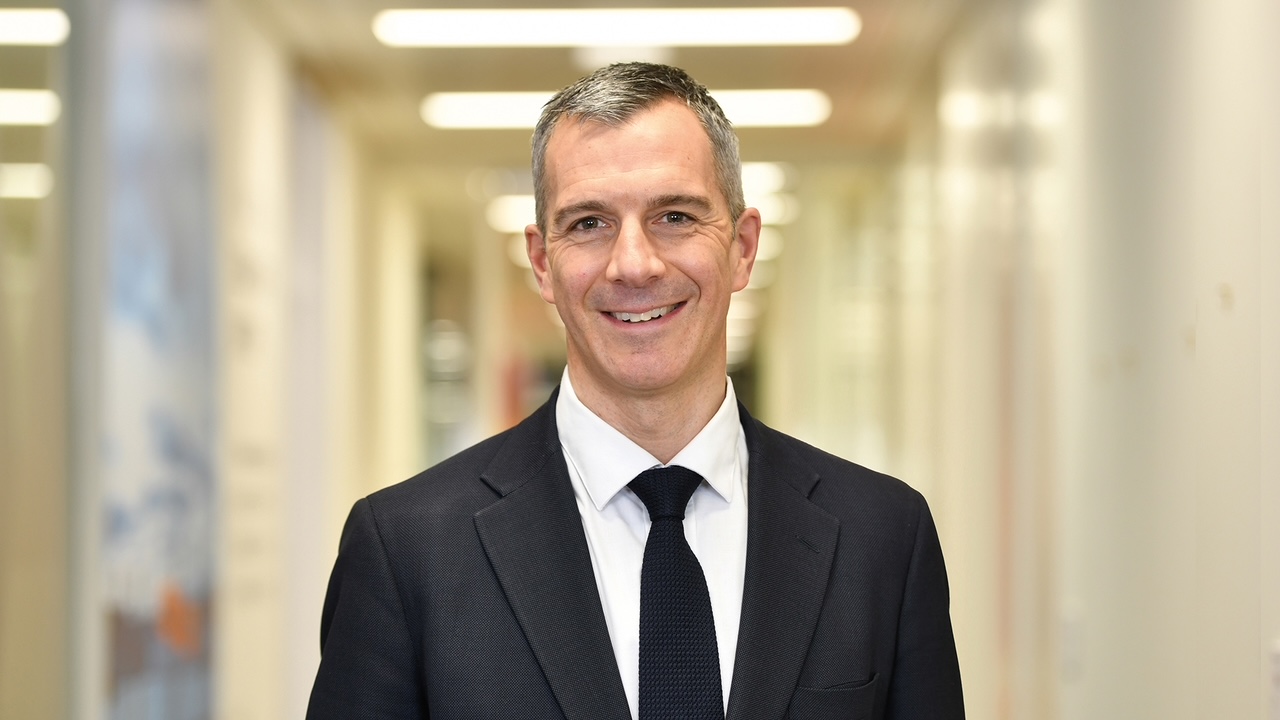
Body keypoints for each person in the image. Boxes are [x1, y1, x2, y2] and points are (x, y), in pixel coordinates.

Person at [307, 62, 963, 720]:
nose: (634, 264)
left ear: (742, 247)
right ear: (542, 261)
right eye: (589, 223)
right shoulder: (406, 549)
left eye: (675, 215)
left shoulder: (883, 537)